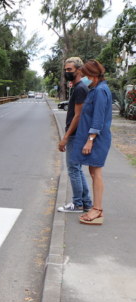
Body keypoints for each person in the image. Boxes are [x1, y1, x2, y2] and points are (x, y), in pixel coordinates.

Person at [72, 60, 112, 225]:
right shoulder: (95, 89)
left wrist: (90, 141)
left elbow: (98, 119)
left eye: (85, 75)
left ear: (94, 75)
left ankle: (97, 208)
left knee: (96, 173)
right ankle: (96, 207)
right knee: (93, 172)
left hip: (97, 139)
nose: (83, 79)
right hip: (94, 138)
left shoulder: (101, 91)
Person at [57, 57, 92, 213]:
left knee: (73, 169)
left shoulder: (79, 89)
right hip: (78, 135)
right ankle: (86, 202)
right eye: (65, 69)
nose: (66, 72)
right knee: (76, 169)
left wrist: (65, 137)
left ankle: (77, 204)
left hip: (75, 135)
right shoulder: (80, 87)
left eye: (69, 69)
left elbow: (78, 116)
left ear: (79, 70)